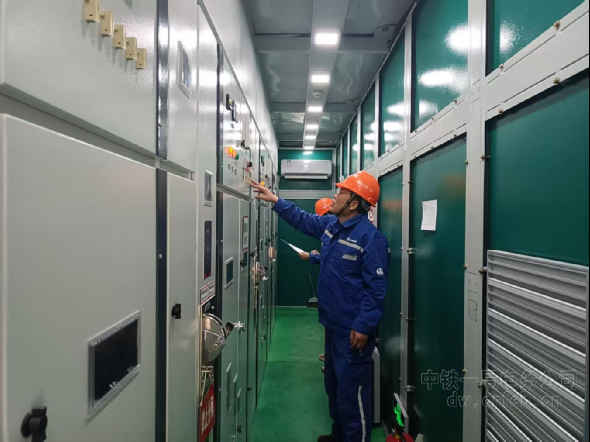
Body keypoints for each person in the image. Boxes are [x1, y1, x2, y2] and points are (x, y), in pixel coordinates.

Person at [251, 171, 390, 442]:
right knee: (334, 386)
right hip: (332, 323)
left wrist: (364, 325)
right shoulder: (331, 225)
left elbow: (376, 289)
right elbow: (303, 219)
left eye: (341, 192)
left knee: (352, 395)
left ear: (353, 203)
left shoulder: (370, 239)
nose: (335, 195)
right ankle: (339, 436)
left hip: (352, 330)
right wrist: (276, 201)